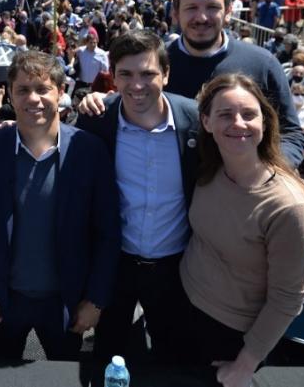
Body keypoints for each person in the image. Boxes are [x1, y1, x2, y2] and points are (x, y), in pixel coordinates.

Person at [0, 51, 119, 361]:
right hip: (4, 300)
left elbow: (107, 231)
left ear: (61, 93)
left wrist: (96, 300)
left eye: (42, 89)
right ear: (9, 93)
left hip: (67, 302)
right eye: (22, 90)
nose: (33, 98)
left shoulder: (89, 151)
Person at [81, 0, 304, 169]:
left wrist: (268, 173)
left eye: (212, 7)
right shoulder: (153, 64)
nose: (201, 17)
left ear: (228, 11)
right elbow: (132, 100)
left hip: (239, 201)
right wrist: (101, 102)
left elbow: (292, 134)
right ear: (175, 14)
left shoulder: (263, 64)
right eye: (191, 8)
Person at [177, 74, 304, 387]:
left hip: (230, 338)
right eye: (225, 115)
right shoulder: (210, 169)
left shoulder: (289, 208)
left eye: (249, 114)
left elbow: (287, 299)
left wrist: (245, 364)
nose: (238, 124)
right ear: (206, 122)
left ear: (265, 122)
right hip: (184, 311)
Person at [76, 31, 201, 365]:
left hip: (175, 268)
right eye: (125, 75)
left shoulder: (197, 122)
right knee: (109, 355)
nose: (136, 85)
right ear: (112, 75)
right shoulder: (96, 120)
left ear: (167, 74)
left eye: (148, 74)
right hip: (115, 265)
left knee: (170, 358)